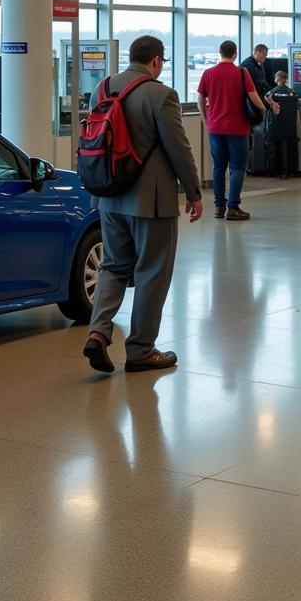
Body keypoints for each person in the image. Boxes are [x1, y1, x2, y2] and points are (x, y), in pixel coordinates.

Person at [83, 36, 202, 375]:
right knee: (152, 271)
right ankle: (140, 349)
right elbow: (179, 149)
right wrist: (194, 192)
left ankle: (98, 331)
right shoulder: (161, 95)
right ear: (156, 61)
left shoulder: (103, 89)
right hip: (150, 201)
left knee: (114, 265)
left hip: (108, 196)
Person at [197, 40, 266, 221]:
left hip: (215, 128)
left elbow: (200, 99)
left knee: (218, 167)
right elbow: (254, 98)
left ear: (220, 53)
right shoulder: (242, 73)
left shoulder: (208, 73)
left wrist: (206, 120)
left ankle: (219, 207)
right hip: (237, 129)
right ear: (235, 54)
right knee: (237, 167)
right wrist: (263, 110)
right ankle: (233, 207)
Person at [263, 70, 299, 178]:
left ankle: (273, 170)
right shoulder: (293, 93)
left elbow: (266, 105)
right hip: (290, 128)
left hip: (275, 128)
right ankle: (289, 170)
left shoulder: (271, 93)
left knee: (273, 146)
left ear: (279, 78)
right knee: (288, 146)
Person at [240, 44, 279, 116]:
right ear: (257, 52)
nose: (265, 56)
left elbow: (263, 83)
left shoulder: (258, 64)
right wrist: (263, 107)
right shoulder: (249, 66)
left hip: (256, 102)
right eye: (264, 53)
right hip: (252, 105)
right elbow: (255, 88)